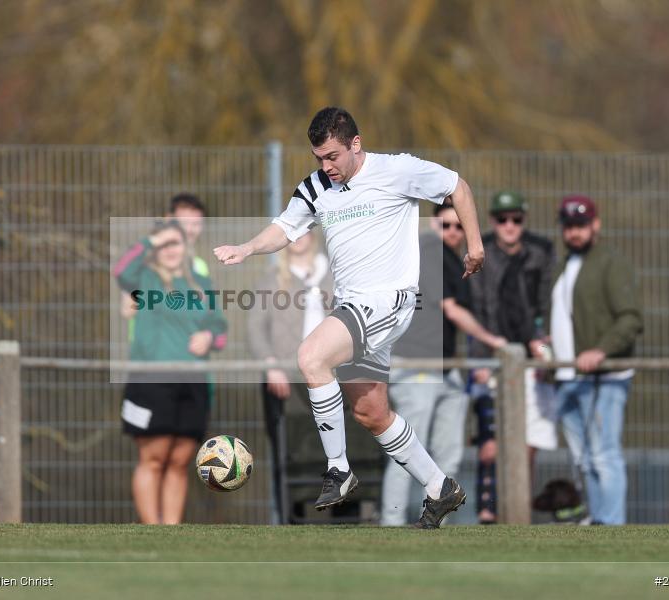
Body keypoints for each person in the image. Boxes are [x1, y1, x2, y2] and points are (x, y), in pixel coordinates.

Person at [214, 106, 485, 529]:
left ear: (355, 144)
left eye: (333, 156)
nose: (327, 166)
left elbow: (458, 187)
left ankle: (338, 469)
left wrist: (475, 244)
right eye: (319, 158)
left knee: (310, 357)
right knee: (371, 412)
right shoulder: (316, 186)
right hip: (354, 306)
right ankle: (439, 487)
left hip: (388, 300)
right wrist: (247, 248)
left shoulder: (398, 170)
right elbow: (285, 229)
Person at [380, 203, 506, 526]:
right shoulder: (427, 248)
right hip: (416, 366)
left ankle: (438, 522)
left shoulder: (452, 259)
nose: (452, 231)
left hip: (446, 368)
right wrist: (494, 342)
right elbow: (452, 310)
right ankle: (391, 523)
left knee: (448, 453)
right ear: (433, 223)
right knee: (407, 451)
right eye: (445, 224)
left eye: (458, 226)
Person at [112, 219, 228, 524]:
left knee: (179, 460)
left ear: (186, 247)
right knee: (153, 457)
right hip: (150, 380)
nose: (170, 250)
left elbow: (220, 329)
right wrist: (151, 240)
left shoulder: (201, 285)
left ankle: (171, 532)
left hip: (193, 381)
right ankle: (153, 529)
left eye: (174, 243)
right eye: (163, 244)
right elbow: (120, 271)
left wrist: (209, 338)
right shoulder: (144, 279)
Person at [550, 195, 643, 526]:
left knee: (605, 456)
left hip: (606, 376)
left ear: (596, 225)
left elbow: (631, 319)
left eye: (581, 225)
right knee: (584, 459)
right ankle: (600, 524)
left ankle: (612, 524)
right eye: (569, 226)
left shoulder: (610, 262)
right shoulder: (562, 266)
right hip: (568, 377)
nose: (575, 232)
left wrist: (600, 350)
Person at [468, 191, 557, 524]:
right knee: (490, 444)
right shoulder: (482, 252)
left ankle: (519, 513)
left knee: (529, 442)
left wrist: (542, 343)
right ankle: (488, 509)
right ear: (493, 221)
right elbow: (475, 307)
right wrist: (479, 358)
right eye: (502, 219)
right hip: (492, 355)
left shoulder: (541, 252)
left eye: (516, 219)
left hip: (530, 357)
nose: (509, 226)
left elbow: (545, 302)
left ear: (524, 220)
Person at [246, 232, 333, 523]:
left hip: (330, 375)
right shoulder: (272, 278)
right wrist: (272, 366)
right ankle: (291, 519)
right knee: (288, 450)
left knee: (337, 447)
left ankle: (346, 516)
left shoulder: (333, 274)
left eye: (303, 229)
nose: (297, 237)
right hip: (285, 378)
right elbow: (255, 329)